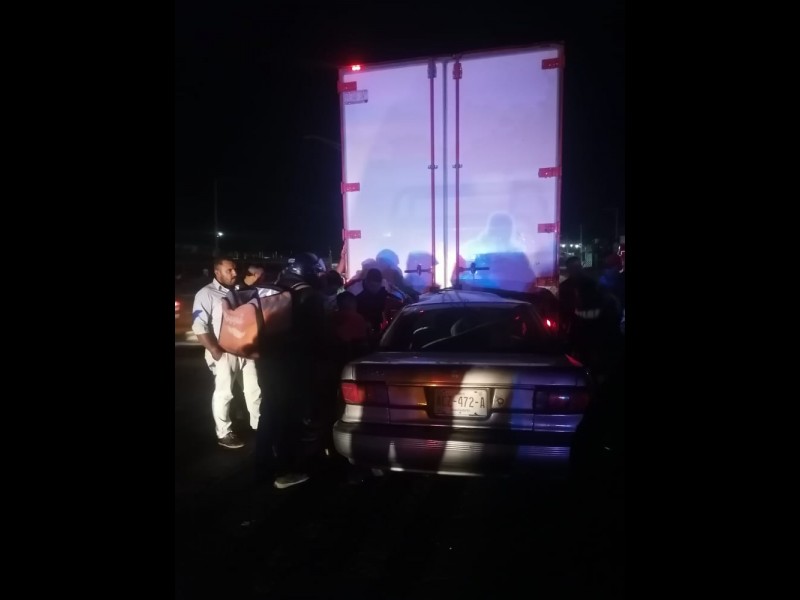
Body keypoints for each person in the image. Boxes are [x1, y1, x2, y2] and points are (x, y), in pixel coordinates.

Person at [254, 252, 329, 489]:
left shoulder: (270, 287)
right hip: (292, 365)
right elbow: (320, 337)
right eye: (316, 271)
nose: (319, 275)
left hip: (265, 361)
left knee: (269, 412)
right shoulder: (308, 295)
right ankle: (285, 471)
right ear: (307, 271)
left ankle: (261, 464)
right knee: (291, 417)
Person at [191, 257, 262, 449]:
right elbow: (199, 325)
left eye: (235, 269)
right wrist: (215, 350)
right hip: (224, 352)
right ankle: (223, 432)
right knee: (225, 393)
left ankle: (259, 425)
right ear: (217, 272)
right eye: (229, 270)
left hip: (245, 350)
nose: (234, 273)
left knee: (254, 389)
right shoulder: (206, 294)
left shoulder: (238, 291)